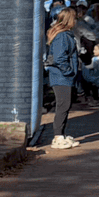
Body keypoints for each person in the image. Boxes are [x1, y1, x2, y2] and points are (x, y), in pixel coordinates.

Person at [42, 9, 81, 149]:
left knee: (64, 105)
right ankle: (58, 137)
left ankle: (61, 135)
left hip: (62, 76)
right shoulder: (63, 36)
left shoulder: (62, 34)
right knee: (63, 106)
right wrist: (69, 71)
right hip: (62, 76)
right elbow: (59, 58)